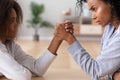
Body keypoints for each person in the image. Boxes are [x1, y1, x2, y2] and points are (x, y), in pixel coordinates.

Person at [0, 0, 73, 80]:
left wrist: (57, 38)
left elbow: (37, 68)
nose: (17, 25)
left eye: (16, 20)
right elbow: (22, 76)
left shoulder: (10, 45)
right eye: (11, 21)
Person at [54, 0, 120, 80]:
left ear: (111, 3)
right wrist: (113, 75)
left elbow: (95, 71)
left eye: (94, 9)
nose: (93, 16)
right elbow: (101, 71)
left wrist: (69, 38)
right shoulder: (109, 28)